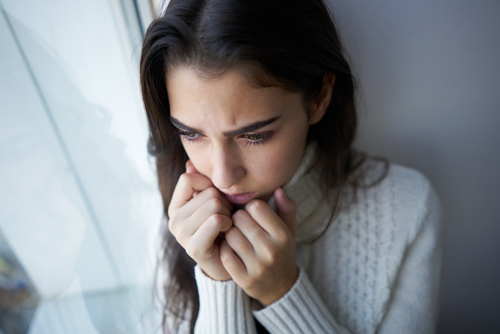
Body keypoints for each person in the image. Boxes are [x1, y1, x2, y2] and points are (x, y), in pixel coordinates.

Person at [139, 0, 443, 333]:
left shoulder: (407, 208)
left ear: (319, 98)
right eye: (191, 133)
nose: (223, 176)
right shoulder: (185, 212)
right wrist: (216, 281)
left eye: (253, 135)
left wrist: (281, 293)